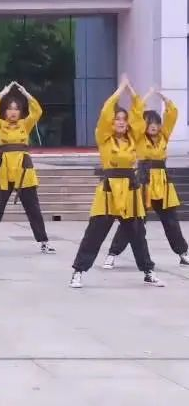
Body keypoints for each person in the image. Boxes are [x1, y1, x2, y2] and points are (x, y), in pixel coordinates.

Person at [70, 76, 164, 288]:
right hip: (109, 190)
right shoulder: (104, 137)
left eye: (123, 119)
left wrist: (131, 91)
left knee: (138, 233)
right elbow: (105, 111)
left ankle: (148, 271)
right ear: (111, 123)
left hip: (130, 189)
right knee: (95, 233)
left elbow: (139, 113)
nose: (121, 121)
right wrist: (120, 90)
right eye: (117, 119)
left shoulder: (134, 138)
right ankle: (78, 272)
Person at [103, 88, 189, 269]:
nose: (154, 126)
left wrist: (163, 97)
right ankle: (112, 253)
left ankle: (183, 253)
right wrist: (146, 95)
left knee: (171, 220)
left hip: (162, 183)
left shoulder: (164, 136)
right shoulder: (139, 137)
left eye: (156, 123)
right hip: (143, 180)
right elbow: (135, 118)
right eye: (150, 123)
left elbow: (172, 114)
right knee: (134, 220)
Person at [0, 81, 55, 254]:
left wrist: (26, 94)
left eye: (16, 109)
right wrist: (2, 94)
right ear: (5, 112)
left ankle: (44, 242)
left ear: (20, 111)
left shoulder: (25, 124)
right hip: (3, 171)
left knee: (33, 208)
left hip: (23, 170)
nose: (13, 112)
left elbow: (37, 111)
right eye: (10, 108)